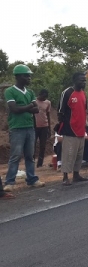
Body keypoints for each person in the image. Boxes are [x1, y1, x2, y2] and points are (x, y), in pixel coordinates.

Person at [3, 64, 45, 192]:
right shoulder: (10, 91)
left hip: (29, 127)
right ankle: (9, 182)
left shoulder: (30, 92)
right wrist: (28, 107)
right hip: (17, 128)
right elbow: (14, 109)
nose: (29, 78)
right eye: (27, 76)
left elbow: (36, 109)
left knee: (30, 156)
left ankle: (32, 179)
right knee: (15, 156)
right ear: (19, 76)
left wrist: (23, 108)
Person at [58, 72, 88, 186]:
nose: (84, 82)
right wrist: (65, 125)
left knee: (79, 154)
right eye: (82, 80)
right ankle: (65, 177)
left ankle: (76, 175)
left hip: (81, 129)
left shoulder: (83, 94)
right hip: (70, 129)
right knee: (68, 154)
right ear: (75, 80)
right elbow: (60, 112)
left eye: (85, 80)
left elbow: (84, 110)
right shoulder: (67, 93)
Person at [33, 89, 52, 168]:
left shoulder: (48, 103)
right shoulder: (34, 102)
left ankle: (40, 164)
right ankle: (31, 162)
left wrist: (49, 128)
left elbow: (48, 115)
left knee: (42, 145)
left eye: (46, 97)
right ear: (39, 94)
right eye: (43, 97)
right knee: (32, 145)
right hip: (35, 127)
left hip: (44, 126)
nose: (44, 98)